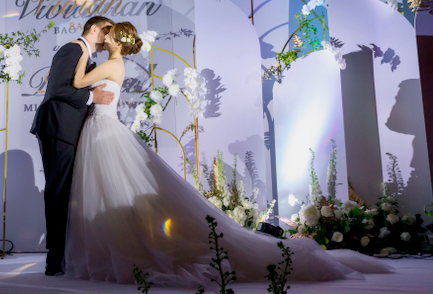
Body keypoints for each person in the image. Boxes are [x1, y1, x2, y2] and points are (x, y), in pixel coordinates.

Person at [63, 21, 394, 286]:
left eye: (109, 34)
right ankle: (117, 247)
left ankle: (119, 249)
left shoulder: (111, 65)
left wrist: (80, 49)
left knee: (108, 188)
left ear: (117, 40)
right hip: (103, 128)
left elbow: (78, 81)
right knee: (109, 189)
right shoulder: (113, 64)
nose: (104, 38)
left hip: (103, 130)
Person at [30, 16, 115, 276]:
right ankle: (54, 261)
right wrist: (92, 96)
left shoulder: (85, 55)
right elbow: (56, 88)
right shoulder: (73, 48)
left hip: (67, 130)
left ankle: (63, 256)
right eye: (107, 30)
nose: (110, 35)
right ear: (93, 29)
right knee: (58, 193)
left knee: (66, 193)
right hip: (57, 128)